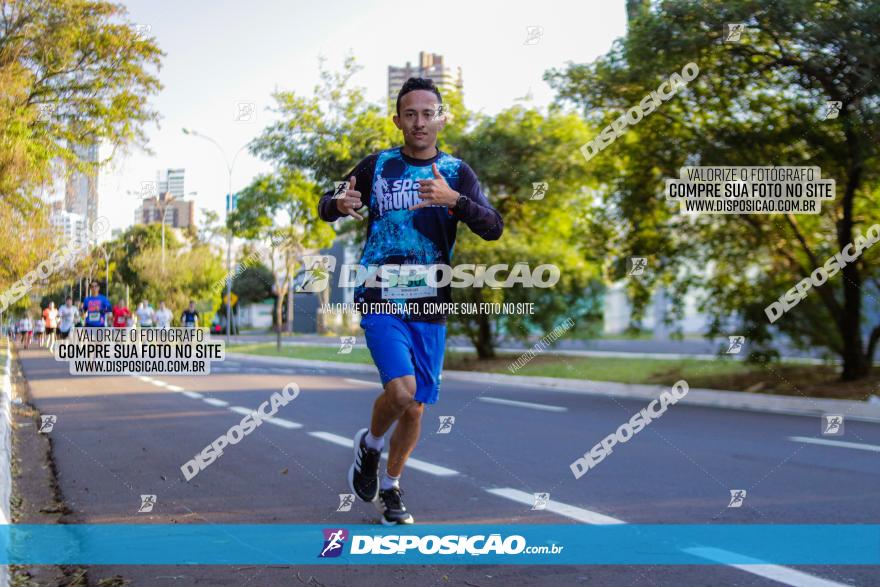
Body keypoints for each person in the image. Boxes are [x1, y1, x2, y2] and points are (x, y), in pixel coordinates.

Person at [318, 77, 503, 525]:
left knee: (416, 405)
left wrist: (454, 201)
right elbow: (327, 203)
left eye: (428, 113)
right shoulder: (377, 165)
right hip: (380, 292)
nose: (419, 122)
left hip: (430, 300)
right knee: (400, 392)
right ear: (397, 119)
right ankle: (371, 446)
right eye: (410, 114)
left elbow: (493, 226)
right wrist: (337, 204)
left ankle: (392, 486)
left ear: (441, 118)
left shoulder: (458, 173)